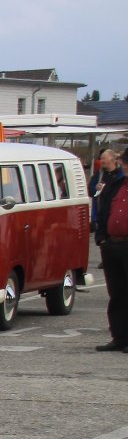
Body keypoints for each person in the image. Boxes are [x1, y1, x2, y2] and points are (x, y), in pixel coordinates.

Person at [93, 146, 127, 352]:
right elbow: (104, 208)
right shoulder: (117, 184)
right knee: (117, 293)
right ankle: (119, 336)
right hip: (112, 244)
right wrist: (102, 238)